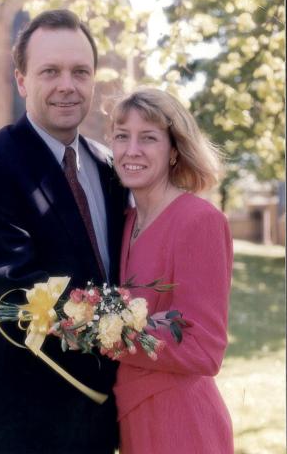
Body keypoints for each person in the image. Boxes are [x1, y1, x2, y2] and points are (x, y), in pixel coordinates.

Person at [0, 9, 127, 454]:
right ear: (22, 80)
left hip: (106, 419)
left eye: (80, 72)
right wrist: (128, 325)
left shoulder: (112, 167)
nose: (67, 84)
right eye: (50, 71)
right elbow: (16, 294)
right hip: (24, 424)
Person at [110, 88, 234, 453]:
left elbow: (204, 347)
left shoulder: (199, 221)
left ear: (174, 150)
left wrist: (104, 333)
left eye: (148, 138)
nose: (132, 150)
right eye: (121, 137)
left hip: (180, 423)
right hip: (131, 417)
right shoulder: (123, 221)